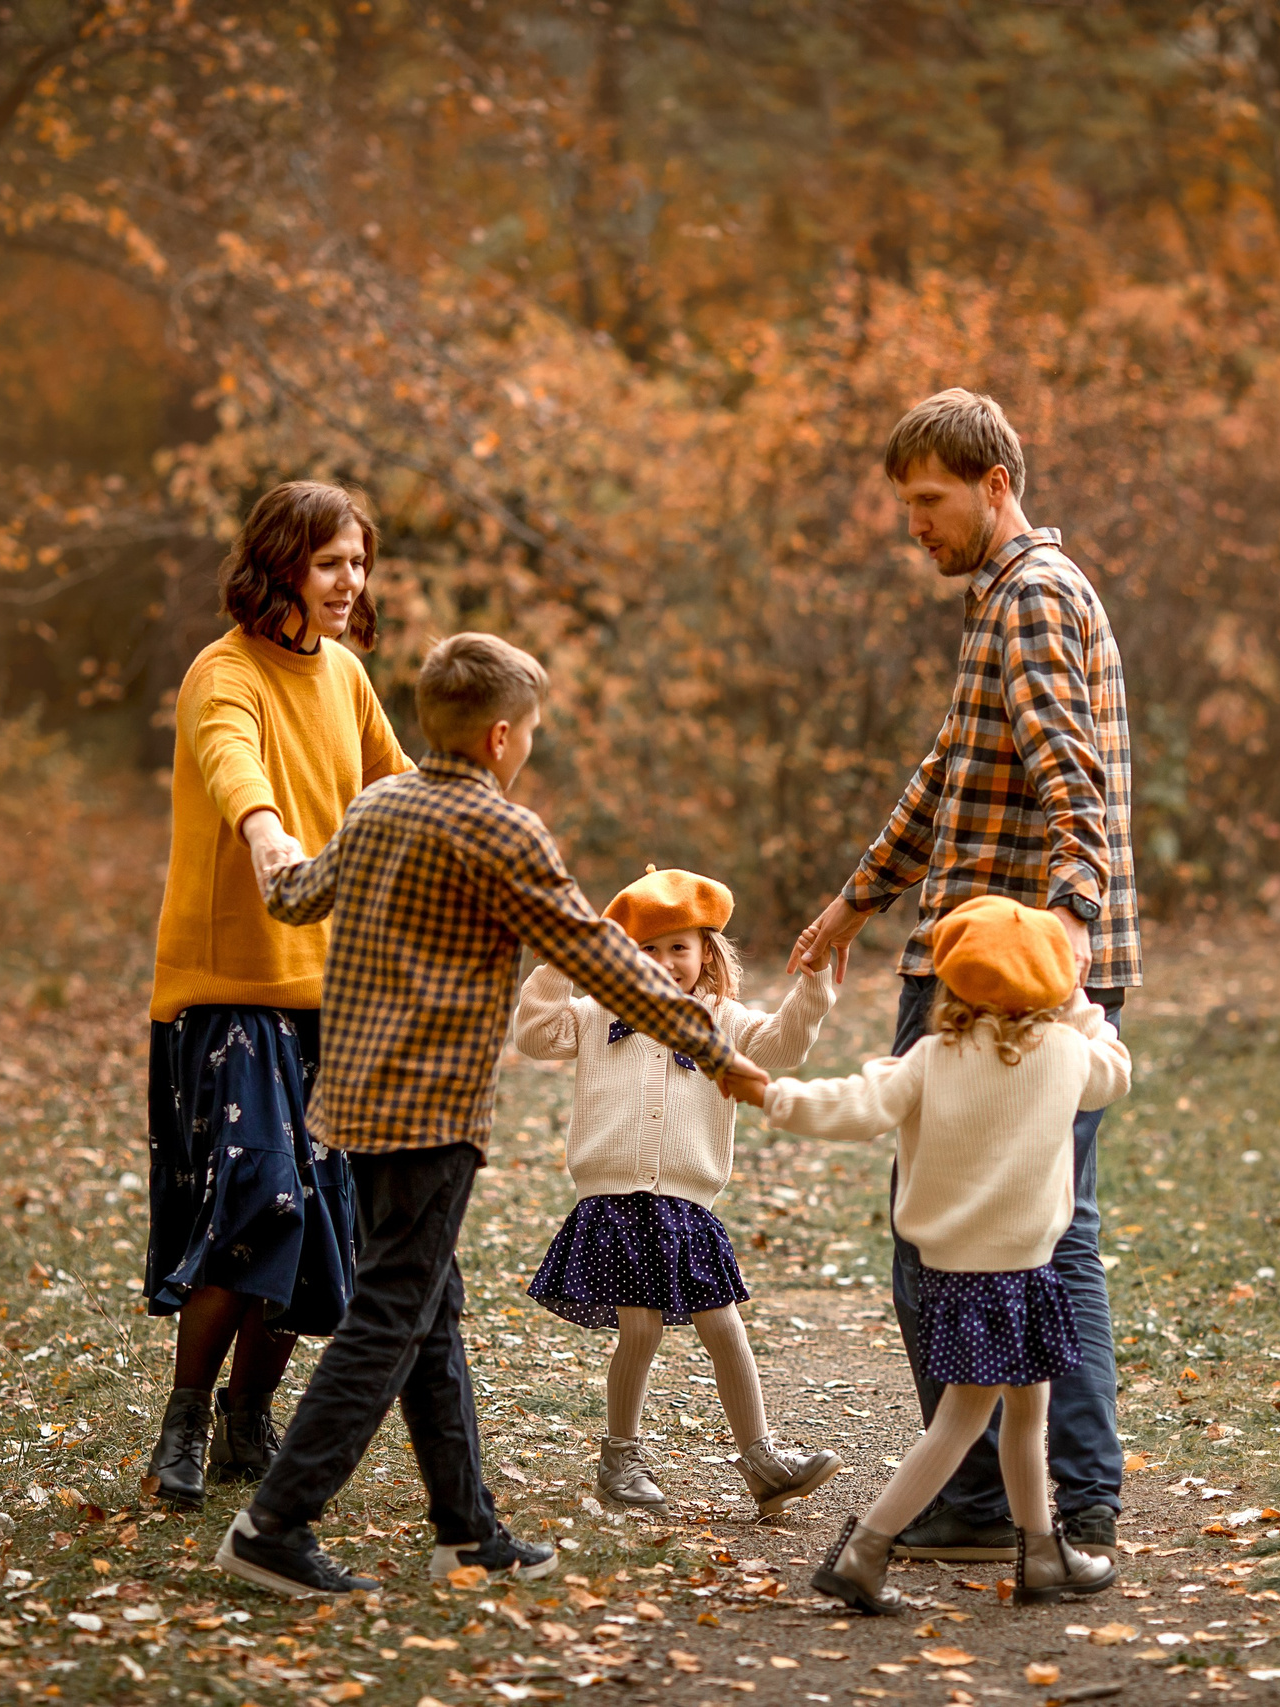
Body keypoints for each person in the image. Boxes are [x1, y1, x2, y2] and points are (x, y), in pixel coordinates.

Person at [214, 633, 771, 1598]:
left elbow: (298, 896)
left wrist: (268, 838)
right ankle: (276, 1522)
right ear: (503, 735)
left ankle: (466, 1528)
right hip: (432, 1111)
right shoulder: (504, 830)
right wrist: (721, 1052)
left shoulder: (378, 804)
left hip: (355, 1099)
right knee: (394, 1308)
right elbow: (605, 961)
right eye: (535, 732)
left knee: (429, 1306)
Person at [789, 389, 1140, 1563]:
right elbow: (952, 773)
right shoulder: (1005, 597)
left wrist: (1071, 939)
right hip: (989, 955)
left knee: (972, 1232)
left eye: (930, 501)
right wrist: (856, 898)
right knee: (1032, 1232)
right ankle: (1020, 1497)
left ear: (996, 484)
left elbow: (1069, 779)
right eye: (906, 505)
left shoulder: (1032, 597)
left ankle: (1037, 1500)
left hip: (1010, 972)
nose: (915, 526)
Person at [140, 480, 408, 1511]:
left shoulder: (344, 676)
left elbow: (398, 781)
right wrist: (265, 834)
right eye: (333, 561)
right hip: (228, 991)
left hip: (327, 993)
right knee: (261, 1204)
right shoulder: (224, 673)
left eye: (360, 563)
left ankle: (250, 1415)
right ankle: (185, 1416)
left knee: (320, 1222)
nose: (352, 582)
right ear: (282, 563)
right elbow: (231, 763)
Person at [765, 897, 1129, 1611]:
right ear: (1049, 983)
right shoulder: (1064, 1051)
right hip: (1021, 1274)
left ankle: (1042, 1553)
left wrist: (769, 1094)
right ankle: (866, 1550)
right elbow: (1113, 1070)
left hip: (965, 1275)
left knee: (1027, 1409)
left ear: (953, 981)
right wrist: (1081, 1001)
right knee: (965, 1421)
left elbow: (853, 1106)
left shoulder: (932, 1055)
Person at [514, 867, 841, 1519]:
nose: (664, 963)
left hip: (687, 1208)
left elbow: (783, 1046)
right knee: (640, 1332)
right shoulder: (595, 1014)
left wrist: (813, 985)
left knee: (726, 1327)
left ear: (707, 956)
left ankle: (761, 1459)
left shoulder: (724, 1018)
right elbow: (532, 1034)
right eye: (647, 949)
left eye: (679, 948)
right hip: (615, 1202)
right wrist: (557, 963)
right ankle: (621, 1456)